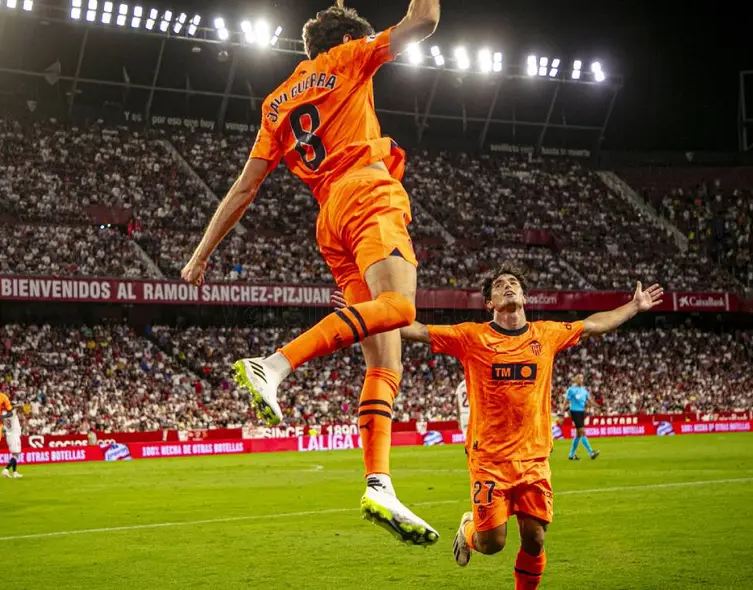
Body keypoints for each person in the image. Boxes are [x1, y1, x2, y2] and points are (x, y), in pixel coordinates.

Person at [179, 0, 441, 545]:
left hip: (329, 219)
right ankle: (273, 366)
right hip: (368, 193)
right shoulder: (348, 58)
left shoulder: (275, 104)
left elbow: (245, 189)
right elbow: (423, 22)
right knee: (401, 308)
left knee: (386, 359)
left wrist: (201, 254)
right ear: (344, 38)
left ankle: (379, 483)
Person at [395, 264, 663, 589]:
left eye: (513, 283)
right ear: (489, 303)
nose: (507, 285)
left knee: (535, 538)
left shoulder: (546, 335)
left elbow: (592, 325)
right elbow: (420, 331)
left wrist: (634, 306)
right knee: (492, 544)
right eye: (499, 284)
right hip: (490, 462)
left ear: (523, 295)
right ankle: (468, 530)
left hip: (534, 459)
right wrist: (364, 319)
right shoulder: (472, 337)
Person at [565, 374, 600, 460]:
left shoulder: (584, 390)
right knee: (582, 432)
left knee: (578, 435)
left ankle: (571, 455)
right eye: (579, 378)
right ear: (576, 380)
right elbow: (566, 401)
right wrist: (562, 411)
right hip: (574, 412)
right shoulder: (571, 390)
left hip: (581, 413)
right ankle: (591, 452)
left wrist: (597, 406)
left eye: (582, 378)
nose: (581, 380)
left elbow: (590, 400)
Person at [2, 409, 24, 478]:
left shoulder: (3, 414)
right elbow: (17, 407)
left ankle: (15, 472)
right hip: (14, 435)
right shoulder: (11, 413)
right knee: (16, 454)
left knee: (15, 455)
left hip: (9, 435)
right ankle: (6, 469)